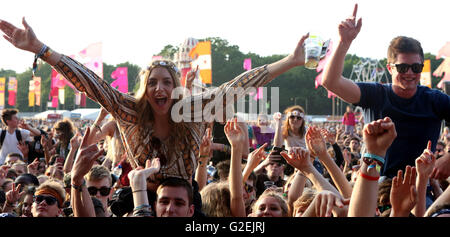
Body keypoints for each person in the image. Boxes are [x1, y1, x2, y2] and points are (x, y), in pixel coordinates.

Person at [0, 17, 311, 191]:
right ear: (144, 90)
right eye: (152, 82)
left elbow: (238, 86)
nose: (159, 88)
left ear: (176, 88)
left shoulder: (192, 111)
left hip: (188, 204)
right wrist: (40, 49)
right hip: (135, 200)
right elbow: (92, 83)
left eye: (167, 82)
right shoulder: (130, 111)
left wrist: (291, 61)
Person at [321, 4, 450, 179]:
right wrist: (344, 43)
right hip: (376, 184)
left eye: (416, 67)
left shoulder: (435, 100)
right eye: (403, 67)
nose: (410, 73)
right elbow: (331, 82)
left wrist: (448, 158)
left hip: (419, 187)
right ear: (390, 68)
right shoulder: (376, 94)